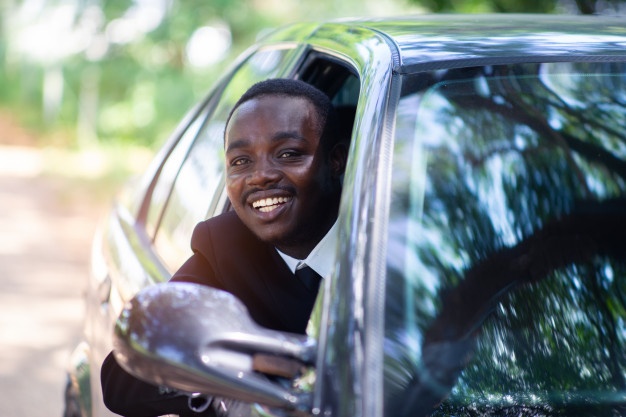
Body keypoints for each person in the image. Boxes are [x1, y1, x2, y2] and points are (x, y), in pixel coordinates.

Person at [101, 78, 349, 417]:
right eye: (241, 161)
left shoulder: (393, 246)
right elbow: (120, 384)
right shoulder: (226, 248)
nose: (260, 176)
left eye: (288, 153)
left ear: (336, 160)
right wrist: (242, 367)